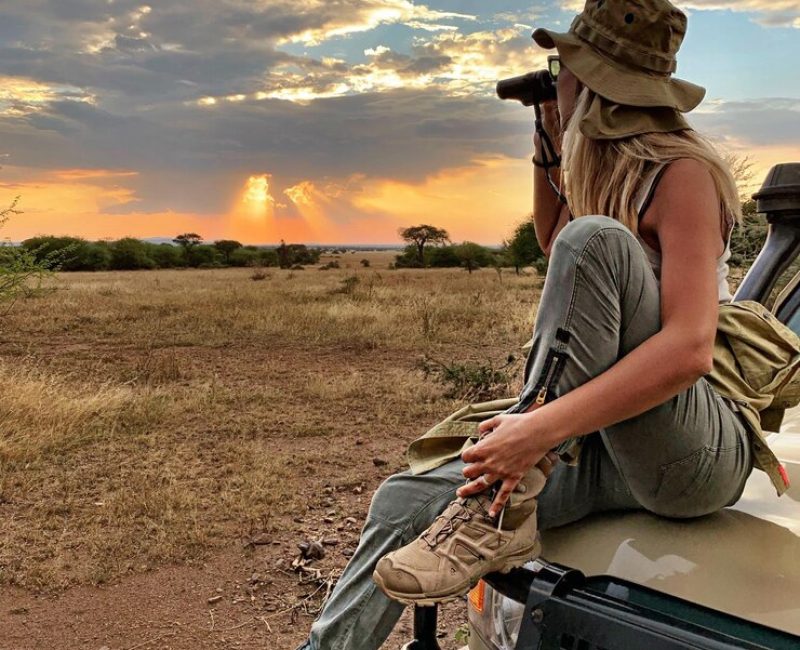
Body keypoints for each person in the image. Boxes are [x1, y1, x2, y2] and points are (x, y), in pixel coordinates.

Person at [296, 0, 790, 647]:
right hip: (607, 441)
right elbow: (556, 239)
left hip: (692, 450)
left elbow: (690, 349)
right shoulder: (614, 173)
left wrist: (535, 432)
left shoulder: (684, 173)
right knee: (401, 501)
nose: (556, 77)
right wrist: (548, 139)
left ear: (596, 81)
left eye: (566, 67)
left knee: (594, 242)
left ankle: (505, 492)